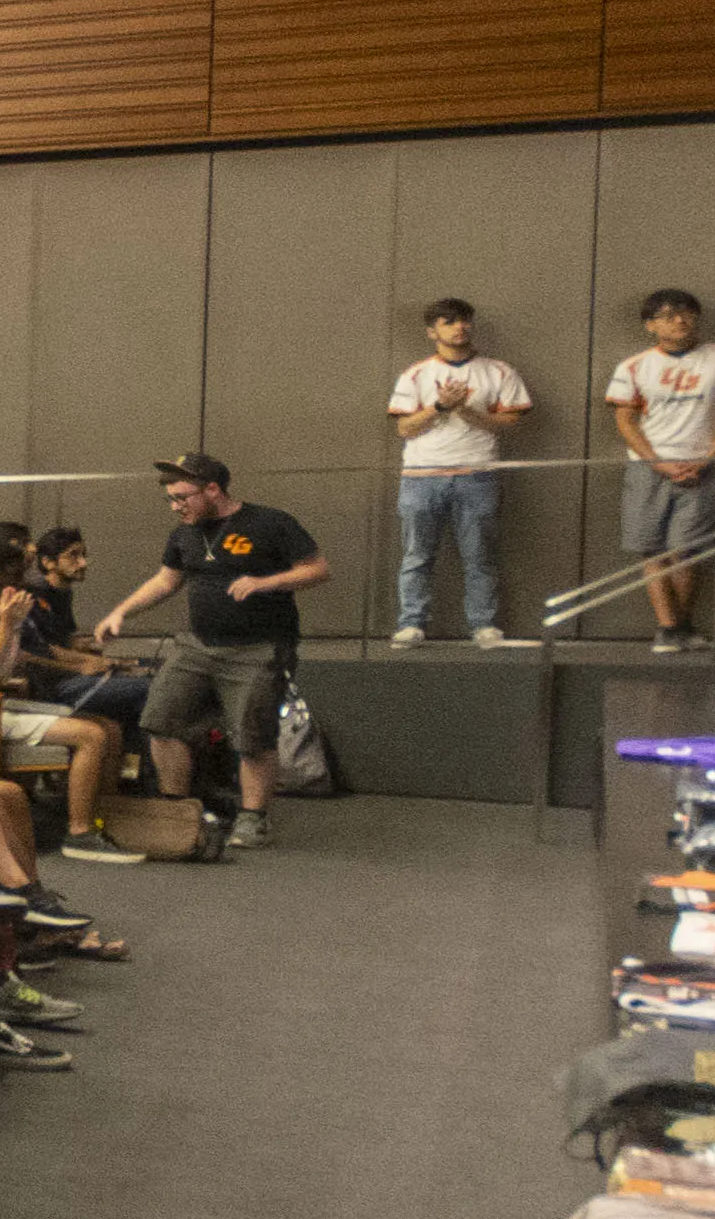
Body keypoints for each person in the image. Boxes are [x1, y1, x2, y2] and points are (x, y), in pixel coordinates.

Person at [86, 454, 329, 852]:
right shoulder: (184, 534)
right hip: (197, 645)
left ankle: (253, 818)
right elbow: (167, 581)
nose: (175, 506)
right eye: (170, 498)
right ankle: (178, 807)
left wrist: (265, 583)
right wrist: (121, 612)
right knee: (160, 720)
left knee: (252, 736)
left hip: (258, 649)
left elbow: (317, 570)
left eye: (183, 497)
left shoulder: (269, 523)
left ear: (213, 489)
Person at [603, 291, 715, 649]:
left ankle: (683, 621)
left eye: (687, 312)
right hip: (648, 467)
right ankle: (669, 627)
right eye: (669, 315)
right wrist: (657, 461)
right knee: (651, 548)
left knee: (687, 550)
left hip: (701, 465)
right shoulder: (634, 366)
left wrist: (708, 456)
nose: (680, 320)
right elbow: (625, 421)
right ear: (651, 325)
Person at [382, 299, 533, 643]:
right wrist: (440, 406)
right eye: (448, 322)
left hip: (477, 474)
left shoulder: (498, 371)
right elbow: (404, 428)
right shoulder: (416, 374)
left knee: (480, 555)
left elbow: (512, 422)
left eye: (464, 320)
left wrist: (468, 412)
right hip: (421, 477)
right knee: (416, 554)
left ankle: (483, 625)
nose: (459, 327)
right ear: (432, 331)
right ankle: (411, 624)